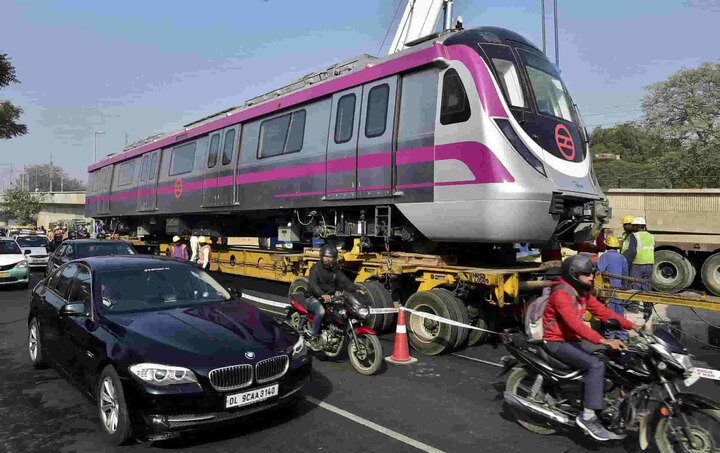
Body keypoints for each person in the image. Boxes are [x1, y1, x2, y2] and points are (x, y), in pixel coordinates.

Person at [543, 253, 642, 441]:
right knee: (596, 365)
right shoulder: (562, 294)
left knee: (611, 359)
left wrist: (633, 326)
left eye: (591, 274)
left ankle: (601, 400)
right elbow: (575, 325)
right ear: (574, 275)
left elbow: (603, 312)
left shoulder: (582, 293)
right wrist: (603, 340)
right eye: (587, 275)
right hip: (556, 341)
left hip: (571, 340)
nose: (591, 278)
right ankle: (588, 417)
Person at [305, 244, 366, 350]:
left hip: (330, 297)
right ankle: (313, 337)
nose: (328, 259)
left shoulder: (335, 271)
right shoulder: (315, 268)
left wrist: (356, 289)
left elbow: (345, 281)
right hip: (313, 297)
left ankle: (332, 332)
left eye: (331, 257)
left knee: (341, 310)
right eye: (326, 256)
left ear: (334, 259)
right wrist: (322, 294)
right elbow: (313, 285)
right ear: (321, 256)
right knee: (321, 312)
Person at [596, 236, 630, 340]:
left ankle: (610, 335)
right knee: (619, 312)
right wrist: (625, 287)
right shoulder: (622, 257)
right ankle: (621, 335)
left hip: (608, 288)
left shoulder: (605, 257)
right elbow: (625, 274)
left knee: (609, 313)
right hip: (619, 288)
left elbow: (599, 270)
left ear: (606, 245)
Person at [623, 217, 655, 320]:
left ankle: (634, 308)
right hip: (649, 263)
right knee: (647, 286)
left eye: (634, 225)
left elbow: (632, 251)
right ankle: (648, 308)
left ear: (637, 226)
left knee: (635, 286)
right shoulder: (651, 236)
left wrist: (627, 264)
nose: (632, 227)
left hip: (637, 263)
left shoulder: (634, 236)